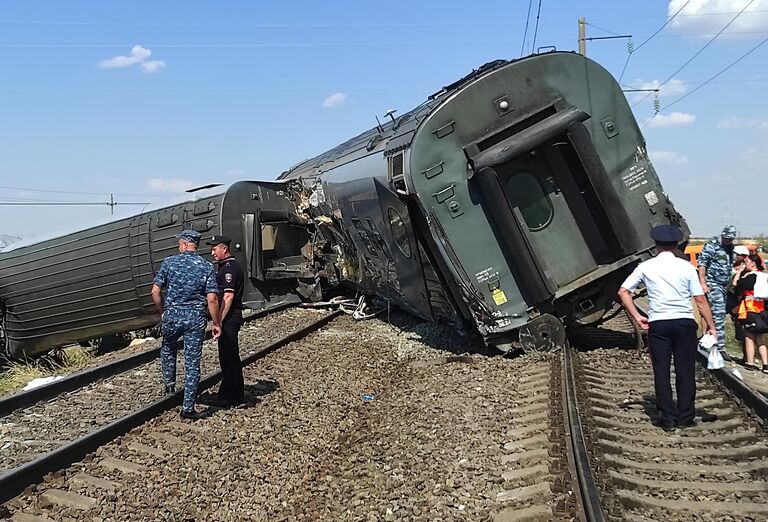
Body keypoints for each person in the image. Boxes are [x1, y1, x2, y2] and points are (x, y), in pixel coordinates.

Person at [618, 224, 716, 432]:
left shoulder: (646, 267)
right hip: (684, 323)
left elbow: (623, 291)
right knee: (685, 369)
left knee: (661, 370)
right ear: (675, 245)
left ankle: (667, 417)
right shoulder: (687, 268)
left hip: (659, 324)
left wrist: (637, 316)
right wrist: (710, 324)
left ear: (655, 245)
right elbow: (699, 299)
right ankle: (686, 416)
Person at [151, 229, 221, 420]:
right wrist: (216, 323)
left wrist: (163, 312)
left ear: (183, 244)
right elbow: (213, 299)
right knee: (192, 362)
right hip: (194, 318)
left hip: (172, 316)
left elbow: (155, 292)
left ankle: (169, 386)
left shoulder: (169, 263)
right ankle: (188, 407)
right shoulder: (206, 266)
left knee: (168, 350)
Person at [206, 235, 245, 407]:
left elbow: (228, 297)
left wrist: (218, 321)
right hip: (230, 317)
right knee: (229, 356)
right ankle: (234, 393)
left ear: (224, 249)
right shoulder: (226, 267)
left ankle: (230, 396)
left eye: (214, 249)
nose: (212, 252)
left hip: (229, 317)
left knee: (229, 357)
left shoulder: (229, 269)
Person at [697, 225, 738, 361]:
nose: (727, 241)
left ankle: (708, 343)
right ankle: (719, 348)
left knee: (715, 315)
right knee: (719, 315)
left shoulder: (731, 248)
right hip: (713, 284)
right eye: (725, 238)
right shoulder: (713, 245)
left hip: (723, 286)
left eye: (730, 239)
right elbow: (702, 264)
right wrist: (703, 283)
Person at [732, 254, 768, 373]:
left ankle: (750, 362)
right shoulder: (764, 276)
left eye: (747, 262)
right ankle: (766, 364)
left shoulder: (750, 277)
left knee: (749, 336)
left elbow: (735, 285)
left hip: (750, 308)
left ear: (753, 263)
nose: (745, 264)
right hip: (761, 308)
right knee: (760, 338)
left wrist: (739, 272)